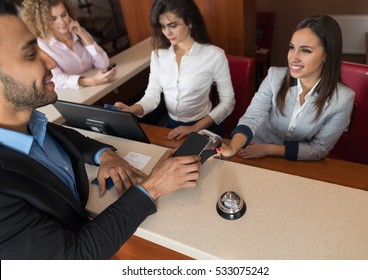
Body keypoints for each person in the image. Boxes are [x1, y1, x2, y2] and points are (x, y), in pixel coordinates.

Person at [0, 1, 201, 259]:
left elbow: (63, 136)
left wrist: (105, 155)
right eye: (30, 54)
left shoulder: (33, 123)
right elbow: (75, 260)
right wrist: (153, 187)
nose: (50, 61)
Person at [217, 15, 355, 161]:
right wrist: (233, 147)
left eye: (305, 50)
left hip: (297, 161)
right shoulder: (274, 77)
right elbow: (252, 117)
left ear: (327, 54)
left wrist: (270, 149)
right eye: (292, 48)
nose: (293, 58)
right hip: (253, 150)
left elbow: (320, 148)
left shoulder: (343, 98)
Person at [114, 0, 235, 140]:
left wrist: (194, 128)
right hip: (173, 126)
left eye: (173, 25)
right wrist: (132, 109)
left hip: (204, 126)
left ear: (189, 22)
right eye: (162, 26)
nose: (167, 32)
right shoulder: (158, 55)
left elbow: (228, 101)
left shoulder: (214, 55)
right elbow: (152, 96)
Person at [21, 0, 116, 89]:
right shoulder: (43, 45)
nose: (62, 22)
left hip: (98, 89)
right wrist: (91, 81)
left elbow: (103, 64)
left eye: (64, 14)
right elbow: (56, 79)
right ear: (43, 22)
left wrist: (82, 35)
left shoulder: (78, 31)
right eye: (53, 19)